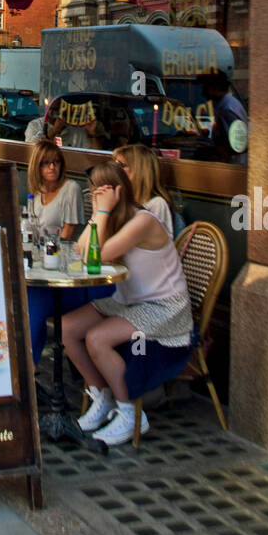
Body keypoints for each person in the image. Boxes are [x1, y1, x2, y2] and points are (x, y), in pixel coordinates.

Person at [61, 160, 194, 447]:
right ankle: (103, 397)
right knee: (68, 328)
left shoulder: (143, 221)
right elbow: (82, 251)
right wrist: (99, 213)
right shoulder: (111, 219)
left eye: (99, 192)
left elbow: (97, 255)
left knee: (97, 339)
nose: (94, 197)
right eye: (93, 192)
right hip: (128, 301)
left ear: (117, 192)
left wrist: (103, 211)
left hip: (164, 307)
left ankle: (131, 413)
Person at [24, 140, 92, 363]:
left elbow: (68, 233)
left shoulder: (70, 189)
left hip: (67, 269)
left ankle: (30, 366)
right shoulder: (37, 192)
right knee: (22, 294)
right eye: (46, 164)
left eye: (56, 163)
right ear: (37, 168)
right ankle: (27, 362)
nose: (52, 168)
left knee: (32, 299)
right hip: (42, 265)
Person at [202, 71, 248, 164]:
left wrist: (218, 151)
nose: (203, 92)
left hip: (232, 165)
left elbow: (239, 145)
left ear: (215, 87)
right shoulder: (226, 105)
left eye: (206, 87)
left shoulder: (227, 109)